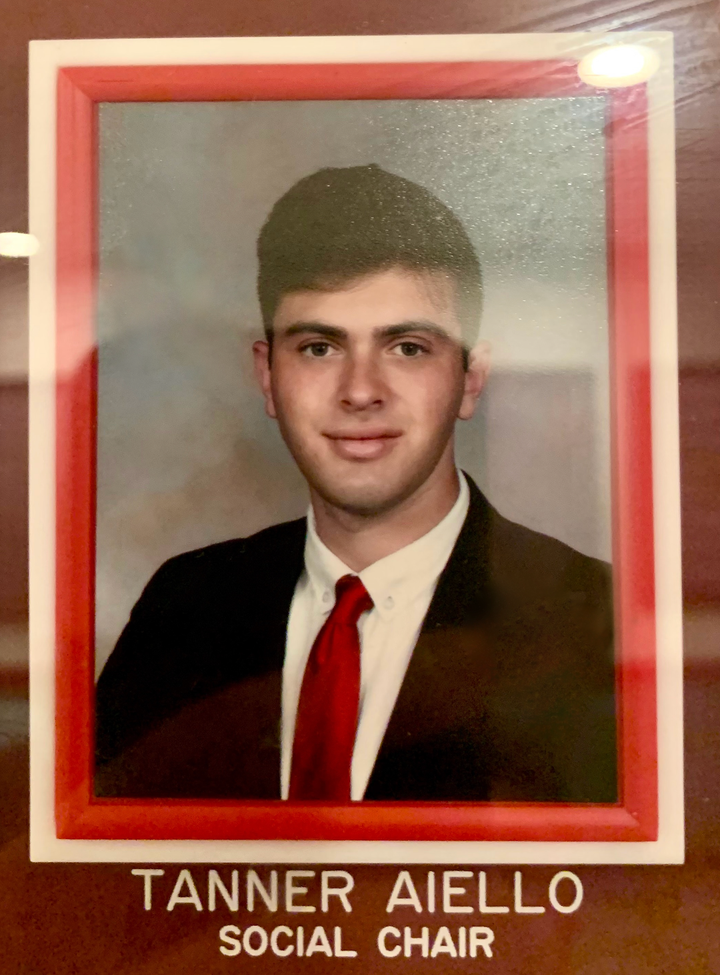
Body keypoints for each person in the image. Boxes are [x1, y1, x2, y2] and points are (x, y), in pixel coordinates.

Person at [95, 164, 616, 803]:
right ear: (267, 376)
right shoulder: (182, 608)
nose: (360, 392)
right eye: (319, 347)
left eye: (407, 348)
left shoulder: (594, 618)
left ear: (471, 379)